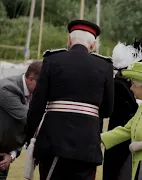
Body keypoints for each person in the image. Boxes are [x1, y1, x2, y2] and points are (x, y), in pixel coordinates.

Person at [25, 20, 114, 180]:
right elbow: (107, 110)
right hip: (87, 146)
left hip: (53, 144)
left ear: (69, 40)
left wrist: (29, 137)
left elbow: (37, 105)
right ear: (93, 45)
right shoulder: (104, 66)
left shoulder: (52, 60)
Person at [103, 39, 142, 180]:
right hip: (121, 140)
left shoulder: (122, 84)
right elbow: (130, 115)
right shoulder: (120, 85)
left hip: (124, 139)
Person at [0, 61, 42, 180]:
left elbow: (24, 131)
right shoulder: (6, 89)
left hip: (3, 158)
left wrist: (12, 155)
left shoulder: (33, 95)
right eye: (42, 84)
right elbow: (28, 120)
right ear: (30, 79)